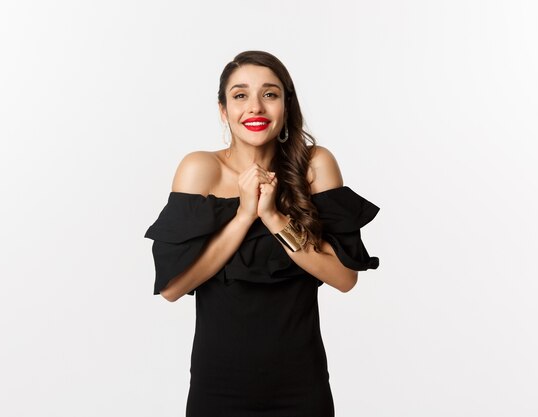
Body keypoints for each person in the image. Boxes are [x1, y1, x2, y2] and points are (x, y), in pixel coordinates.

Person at [144, 50, 380, 417]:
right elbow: (173, 289)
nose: (255, 107)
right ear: (223, 110)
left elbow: (344, 278)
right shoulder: (200, 169)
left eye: (269, 94)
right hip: (218, 387)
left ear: (286, 105)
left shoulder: (315, 166)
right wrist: (243, 215)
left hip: (301, 386)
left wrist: (273, 218)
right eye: (240, 96)